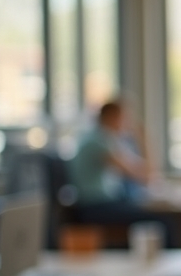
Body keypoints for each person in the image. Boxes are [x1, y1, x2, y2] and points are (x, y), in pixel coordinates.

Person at [68, 100, 173, 240]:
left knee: (157, 217)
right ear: (112, 117)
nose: (127, 123)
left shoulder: (105, 138)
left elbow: (145, 173)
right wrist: (143, 139)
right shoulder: (96, 141)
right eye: (125, 118)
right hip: (94, 206)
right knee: (162, 222)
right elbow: (144, 176)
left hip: (104, 202)